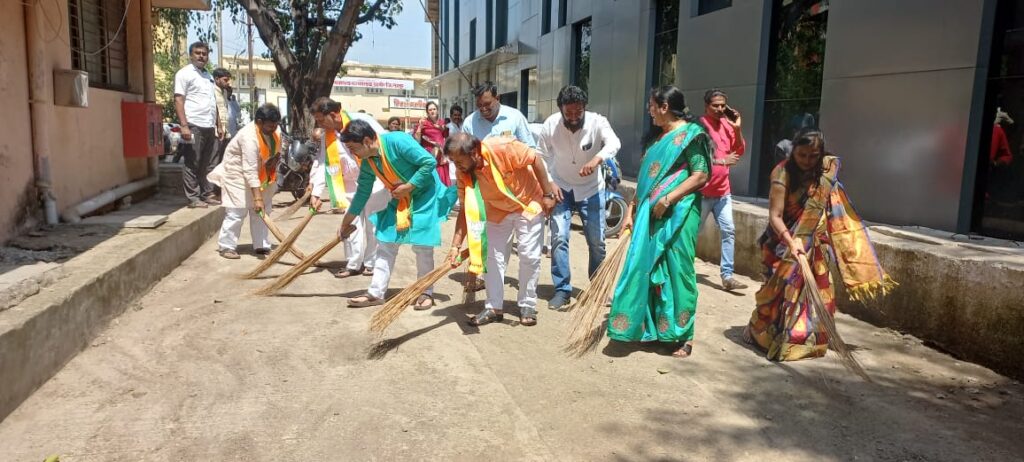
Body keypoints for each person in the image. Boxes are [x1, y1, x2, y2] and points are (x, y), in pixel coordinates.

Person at [744, 129, 895, 361]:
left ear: (820, 154)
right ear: (793, 151)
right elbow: (775, 216)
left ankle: (802, 339)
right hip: (783, 244)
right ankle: (760, 332)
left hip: (815, 245)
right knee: (777, 292)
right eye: (801, 155)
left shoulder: (825, 174)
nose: (806, 161)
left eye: (813, 156)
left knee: (816, 294)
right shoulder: (782, 173)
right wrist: (791, 241)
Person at [607, 86, 711, 359]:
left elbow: (700, 175)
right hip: (648, 217)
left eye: (651, 106)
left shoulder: (691, 136)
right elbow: (644, 184)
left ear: (664, 107)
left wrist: (670, 199)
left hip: (679, 215)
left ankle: (683, 335)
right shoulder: (656, 141)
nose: (649, 111)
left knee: (679, 271)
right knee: (649, 270)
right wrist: (629, 215)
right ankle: (655, 330)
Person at [337, 119, 456, 309]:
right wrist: (346, 222)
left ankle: (425, 292)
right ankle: (376, 293)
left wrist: (408, 187)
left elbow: (428, 162)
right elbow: (362, 193)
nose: (352, 153)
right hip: (399, 198)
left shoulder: (397, 141)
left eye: (353, 148)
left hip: (424, 195)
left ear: (367, 141)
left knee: (422, 246)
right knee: (385, 242)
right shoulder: (368, 162)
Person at [444, 133, 557, 327]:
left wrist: (547, 193)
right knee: (492, 258)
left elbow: (535, 159)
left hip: (528, 204)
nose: (456, 166)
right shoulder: (464, 173)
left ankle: (527, 304)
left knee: (529, 256)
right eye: (452, 161)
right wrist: (455, 246)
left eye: (458, 160)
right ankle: (493, 307)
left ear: (474, 153)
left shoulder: (502, 147)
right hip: (496, 212)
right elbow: (465, 207)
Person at [536, 85, 621, 310]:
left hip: (591, 189)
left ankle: (598, 289)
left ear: (585, 107)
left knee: (597, 242)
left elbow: (614, 143)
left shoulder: (597, 122)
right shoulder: (551, 125)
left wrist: (597, 159)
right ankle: (562, 290)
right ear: (561, 109)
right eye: (568, 113)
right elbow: (540, 156)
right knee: (559, 239)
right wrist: (550, 183)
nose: (573, 117)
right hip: (560, 188)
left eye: (578, 112)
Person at [309, 98, 389, 278]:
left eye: (321, 119)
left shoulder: (361, 120)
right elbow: (323, 162)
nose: (319, 124)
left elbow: (382, 145)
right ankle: (353, 263)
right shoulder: (326, 136)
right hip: (347, 184)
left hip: (374, 178)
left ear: (333, 114)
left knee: (373, 223)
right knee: (350, 222)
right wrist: (316, 192)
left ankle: (371, 263)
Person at [206, 104, 282, 259]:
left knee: (261, 212)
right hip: (238, 176)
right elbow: (249, 170)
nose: (273, 129)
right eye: (269, 126)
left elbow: (277, 152)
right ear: (259, 122)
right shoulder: (248, 137)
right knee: (236, 212)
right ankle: (226, 246)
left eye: (275, 125)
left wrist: (273, 163)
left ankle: (261, 245)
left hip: (262, 174)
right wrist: (257, 197)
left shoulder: (276, 130)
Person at [699, 88, 748, 291]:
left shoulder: (728, 125)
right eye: (715, 105)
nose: (719, 109)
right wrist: (721, 160)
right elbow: (697, 157)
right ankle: (678, 270)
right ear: (706, 106)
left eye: (722, 105)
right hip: (700, 193)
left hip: (722, 193)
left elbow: (739, 150)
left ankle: (727, 276)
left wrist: (737, 128)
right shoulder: (699, 126)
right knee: (691, 233)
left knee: (729, 231)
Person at [174, 42, 221, 208]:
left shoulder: (208, 76)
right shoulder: (184, 74)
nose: (201, 56)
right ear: (191, 55)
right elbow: (179, 99)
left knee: (208, 163)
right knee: (192, 162)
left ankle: (207, 194)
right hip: (193, 124)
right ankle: (193, 198)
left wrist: (219, 125)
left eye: (204, 54)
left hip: (209, 125)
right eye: (198, 53)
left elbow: (213, 101)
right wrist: (184, 125)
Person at [463, 81, 536, 148]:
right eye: (479, 105)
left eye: (487, 104)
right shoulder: (469, 123)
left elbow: (529, 148)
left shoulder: (515, 117)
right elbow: (465, 153)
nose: (483, 108)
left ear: (497, 98)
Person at [414, 101, 452, 187]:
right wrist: (419, 127)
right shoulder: (423, 123)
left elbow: (447, 138)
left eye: (434, 109)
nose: (432, 111)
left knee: (443, 182)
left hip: (441, 157)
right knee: (432, 182)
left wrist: (442, 129)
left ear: (437, 110)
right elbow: (417, 141)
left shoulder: (442, 123)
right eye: (430, 110)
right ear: (427, 112)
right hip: (430, 156)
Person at [212, 68, 242, 172]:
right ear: (216, 79)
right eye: (225, 80)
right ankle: (212, 186)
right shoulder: (212, 92)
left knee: (224, 161)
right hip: (217, 133)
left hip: (227, 133)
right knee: (214, 162)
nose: (228, 83)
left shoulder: (223, 93)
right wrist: (219, 128)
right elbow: (216, 112)